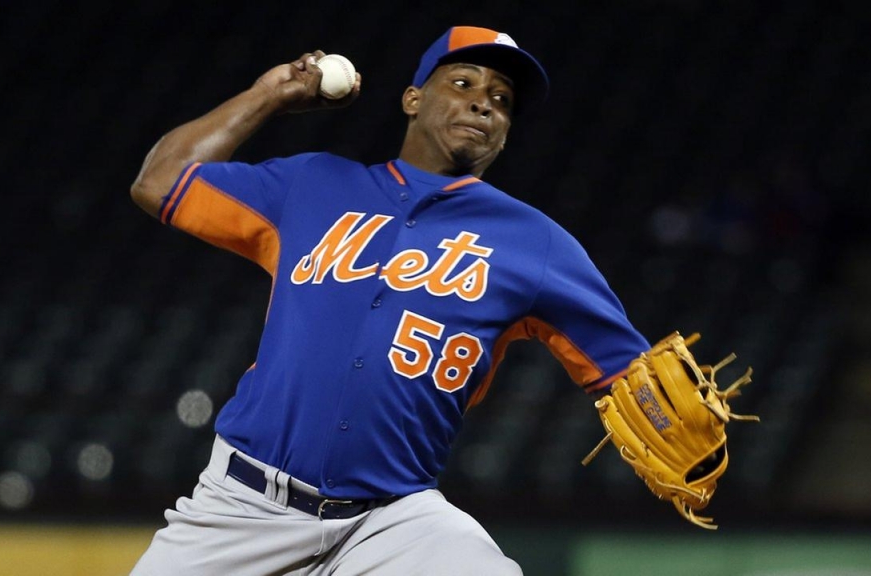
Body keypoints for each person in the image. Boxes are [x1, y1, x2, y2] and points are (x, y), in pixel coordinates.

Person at [128, 25, 650, 575]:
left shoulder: (536, 243)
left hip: (394, 524)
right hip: (242, 510)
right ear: (413, 99)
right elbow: (160, 181)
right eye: (463, 82)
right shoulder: (314, 183)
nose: (483, 103)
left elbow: (632, 374)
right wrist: (270, 95)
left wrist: (679, 424)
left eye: (501, 100)